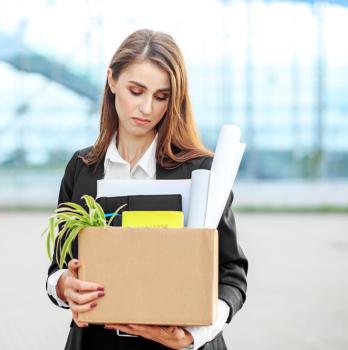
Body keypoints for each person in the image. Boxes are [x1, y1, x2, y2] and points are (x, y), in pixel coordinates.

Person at [46, 29, 248, 350]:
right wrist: (63, 286)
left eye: (161, 96)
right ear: (111, 80)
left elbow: (232, 272)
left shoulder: (202, 171)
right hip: (97, 343)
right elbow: (59, 266)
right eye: (136, 91)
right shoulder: (81, 168)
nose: (146, 108)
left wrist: (194, 335)